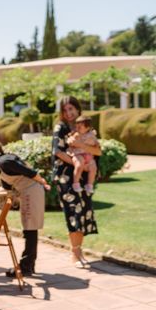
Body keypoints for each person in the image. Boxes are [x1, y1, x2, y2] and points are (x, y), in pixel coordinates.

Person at [0, 138, 50, 277]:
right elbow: (7, 189)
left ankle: (26, 267)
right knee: (29, 229)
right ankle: (28, 265)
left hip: (32, 191)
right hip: (27, 192)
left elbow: (30, 171)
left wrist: (42, 182)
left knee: (30, 229)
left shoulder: (4, 161)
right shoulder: (0, 164)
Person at [53, 96, 101, 267]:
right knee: (73, 211)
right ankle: (75, 253)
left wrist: (87, 163)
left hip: (84, 176)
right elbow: (57, 151)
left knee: (84, 210)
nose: (68, 113)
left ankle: (78, 250)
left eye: (71, 109)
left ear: (78, 109)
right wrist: (77, 162)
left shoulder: (87, 127)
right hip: (66, 176)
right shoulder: (61, 127)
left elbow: (98, 150)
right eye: (65, 110)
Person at [68, 115, 99, 194]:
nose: (77, 129)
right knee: (79, 165)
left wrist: (96, 145)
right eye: (76, 126)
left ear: (87, 128)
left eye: (80, 127)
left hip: (88, 155)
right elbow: (70, 143)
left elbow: (97, 144)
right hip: (78, 154)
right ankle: (76, 183)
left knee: (93, 168)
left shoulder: (92, 135)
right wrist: (73, 141)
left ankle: (89, 185)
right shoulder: (76, 134)